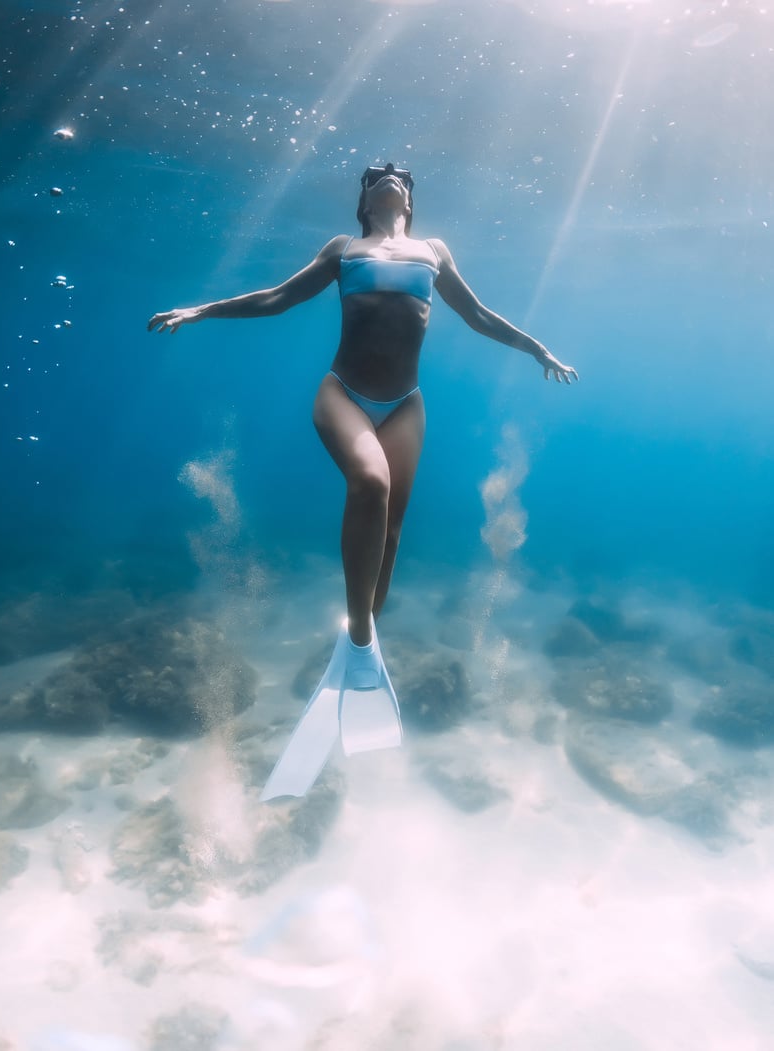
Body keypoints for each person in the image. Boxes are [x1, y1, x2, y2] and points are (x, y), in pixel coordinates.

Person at [148, 163, 578, 797]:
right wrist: (201, 309)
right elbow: (277, 297)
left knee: (394, 533)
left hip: (405, 401)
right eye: (376, 173)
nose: (389, 175)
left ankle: (361, 649)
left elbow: (480, 316)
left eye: (401, 173)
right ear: (363, 196)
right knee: (371, 484)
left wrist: (538, 348)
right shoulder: (342, 249)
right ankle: (355, 633)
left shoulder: (434, 253)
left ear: (411, 194)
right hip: (342, 393)